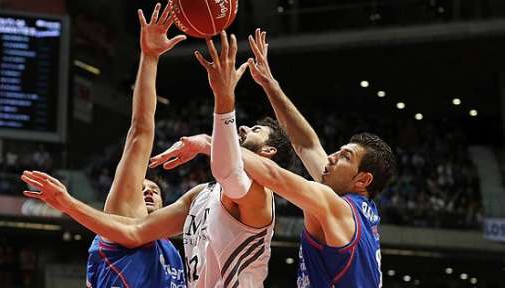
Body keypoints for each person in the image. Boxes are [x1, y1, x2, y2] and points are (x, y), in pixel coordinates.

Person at [22, 31, 294, 287]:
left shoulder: (256, 195)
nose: (245, 128)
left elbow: (231, 170)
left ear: (269, 152)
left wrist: (222, 105)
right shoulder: (197, 198)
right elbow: (135, 229)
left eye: (256, 129)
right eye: (144, 190)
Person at [156, 29, 396, 287]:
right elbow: (306, 144)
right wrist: (270, 84)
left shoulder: (336, 207)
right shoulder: (354, 207)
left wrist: (209, 142)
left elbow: (273, 175)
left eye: (345, 156)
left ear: (362, 179)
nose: (332, 156)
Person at [22, 2, 187, 288]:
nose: (147, 192)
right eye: (141, 188)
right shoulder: (125, 218)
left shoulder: (173, 254)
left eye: (155, 190)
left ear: (165, 204)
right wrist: (149, 58)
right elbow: (141, 130)